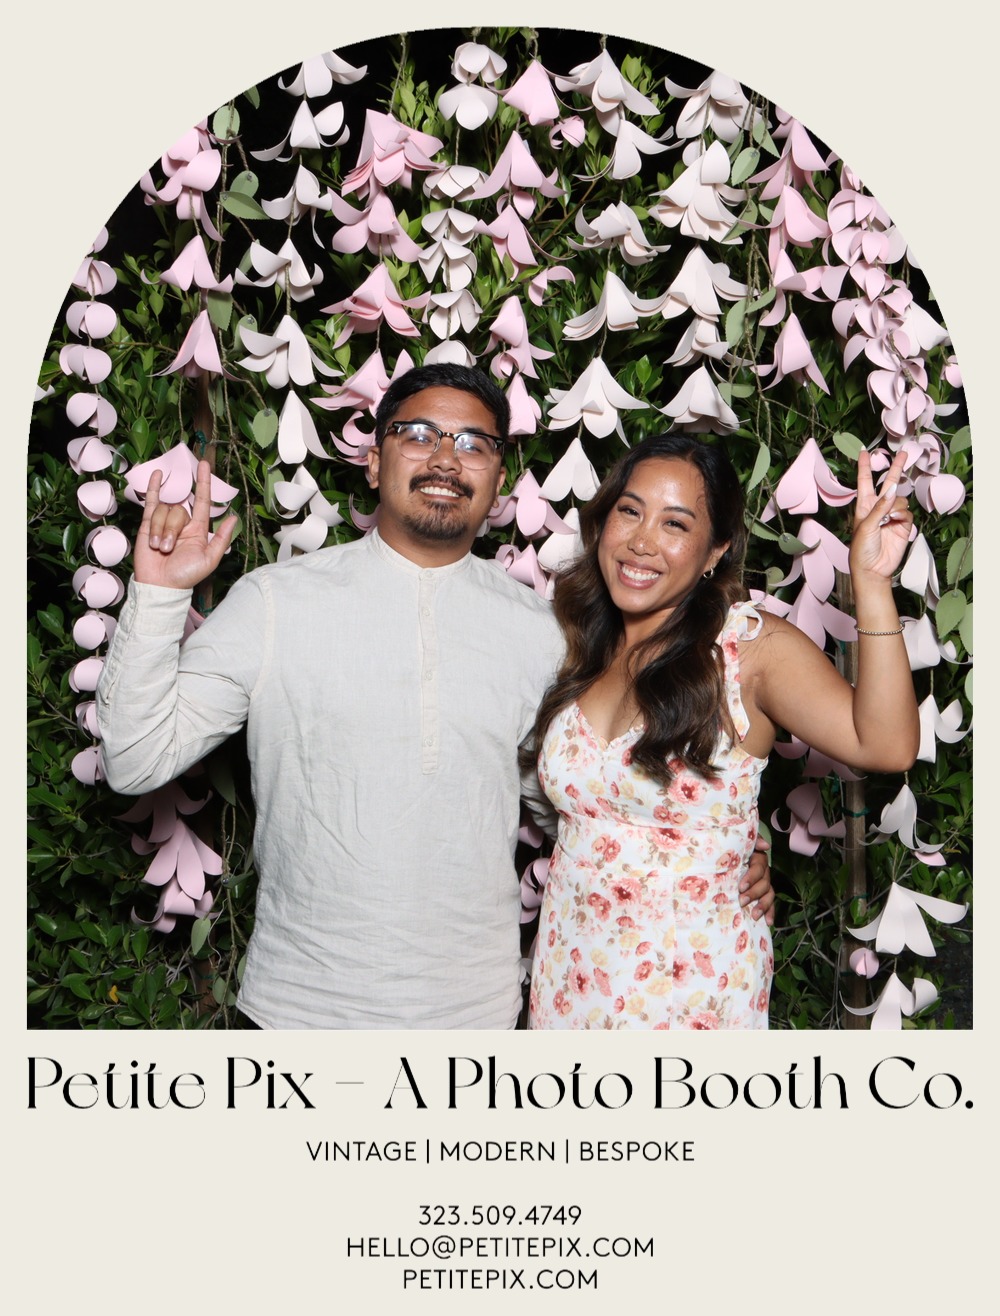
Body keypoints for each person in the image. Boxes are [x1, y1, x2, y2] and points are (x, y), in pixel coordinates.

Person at [96, 364, 773, 1029]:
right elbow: (133, 761)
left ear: (498, 483)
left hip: (480, 1020)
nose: (447, 459)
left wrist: (724, 854)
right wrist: (158, 594)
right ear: (373, 462)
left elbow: (585, 801)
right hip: (296, 1014)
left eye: (474, 444)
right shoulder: (274, 602)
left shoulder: (543, 633)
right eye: (418, 435)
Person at [526, 432, 918, 1030]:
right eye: (629, 511)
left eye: (675, 524)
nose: (641, 541)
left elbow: (887, 745)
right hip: (566, 985)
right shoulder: (580, 643)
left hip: (691, 1000)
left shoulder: (748, 649)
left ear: (716, 551)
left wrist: (871, 583)